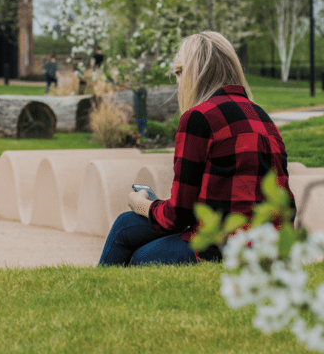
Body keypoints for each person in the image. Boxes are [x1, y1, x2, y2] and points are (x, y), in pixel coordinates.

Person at [98, 31, 295, 266]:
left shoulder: (199, 118)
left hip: (223, 246)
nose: (178, 82)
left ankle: (95, 294)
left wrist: (143, 204)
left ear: (195, 73)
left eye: (179, 72)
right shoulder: (262, 117)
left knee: (135, 250)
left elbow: (179, 216)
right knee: (126, 225)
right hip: (271, 243)